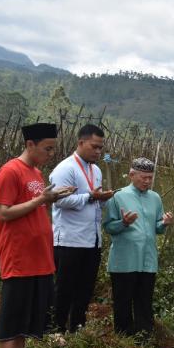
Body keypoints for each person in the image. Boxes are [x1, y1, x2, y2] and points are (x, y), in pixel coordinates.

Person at [0, 122, 75, 348]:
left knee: (29, 303)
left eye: (53, 149)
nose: (51, 154)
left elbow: (35, 206)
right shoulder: (10, 171)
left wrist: (52, 198)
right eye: (47, 148)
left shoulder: (36, 173)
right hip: (18, 252)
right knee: (14, 304)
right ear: (30, 145)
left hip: (38, 252)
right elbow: (4, 213)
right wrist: (42, 199)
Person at [49, 124, 115, 332]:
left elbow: (94, 201)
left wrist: (103, 199)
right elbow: (59, 200)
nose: (98, 152)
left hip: (92, 239)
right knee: (64, 289)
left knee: (85, 289)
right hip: (69, 240)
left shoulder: (95, 170)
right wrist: (91, 196)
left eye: (100, 148)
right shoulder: (65, 169)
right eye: (94, 147)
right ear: (81, 143)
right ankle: (56, 329)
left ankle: (77, 328)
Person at [103, 157, 173, 337]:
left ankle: (145, 338)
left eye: (150, 177)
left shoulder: (155, 198)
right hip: (124, 259)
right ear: (132, 175)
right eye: (144, 177)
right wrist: (124, 223)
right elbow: (109, 227)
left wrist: (164, 223)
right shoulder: (117, 196)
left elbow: (156, 227)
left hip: (148, 259)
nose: (147, 181)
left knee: (144, 302)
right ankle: (124, 339)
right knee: (123, 302)